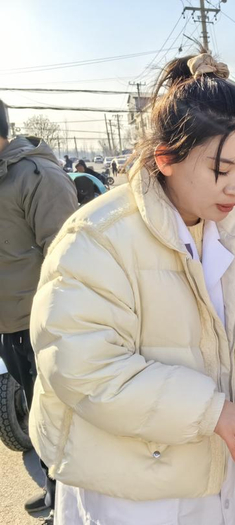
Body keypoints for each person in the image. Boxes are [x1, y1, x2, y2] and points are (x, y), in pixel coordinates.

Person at [28, 53, 235, 525]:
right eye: (221, 169)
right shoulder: (98, 237)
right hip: (129, 487)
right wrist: (210, 412)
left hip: (216, 466)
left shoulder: (234, 228)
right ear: (166, 157)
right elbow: (82, 365)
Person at [0, 99, 78, 523]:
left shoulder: (36, 176)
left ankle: (68, 501)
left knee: (59, 417)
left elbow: (68, 258)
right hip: (10, 323)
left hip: (40, 323)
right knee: (38, 414)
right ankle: (54, 487)